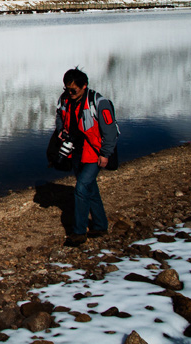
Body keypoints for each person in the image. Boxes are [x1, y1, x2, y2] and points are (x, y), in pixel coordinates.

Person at [53, 67, 119, 247]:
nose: (69, 93)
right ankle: (100, 225)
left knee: (81, 189)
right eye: (67, 89)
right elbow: (59, 115)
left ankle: (79, 232)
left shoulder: (99, 103)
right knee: (91, 190)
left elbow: (110, 131)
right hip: (76, 151)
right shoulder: (65, 100)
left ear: (84, 86)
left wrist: (105, 154)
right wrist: (61, 131)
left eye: (73, 90)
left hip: (94, 153)